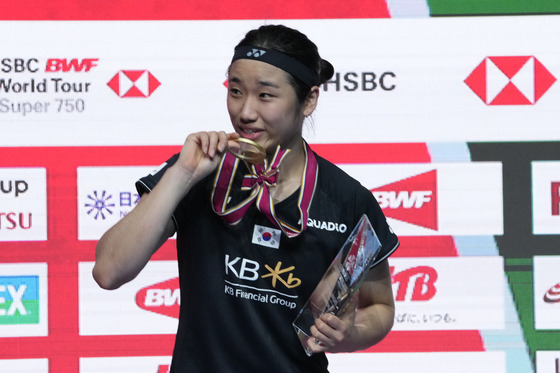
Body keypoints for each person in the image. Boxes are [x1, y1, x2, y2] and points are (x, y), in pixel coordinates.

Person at [93, 24, 399, 372]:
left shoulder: (347, 200)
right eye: (235, 91)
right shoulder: (197, 171)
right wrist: (182, 175)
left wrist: (350, 334)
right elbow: (108, 271)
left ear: (309, 99)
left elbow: (380, 307)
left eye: (265, 96)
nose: (245, 112)